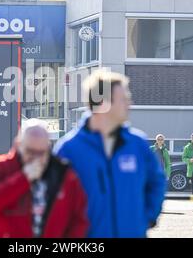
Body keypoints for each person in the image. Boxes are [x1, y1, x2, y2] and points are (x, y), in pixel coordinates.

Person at [54, 70, 166, 238]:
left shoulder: (137, 144)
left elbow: (157, 182)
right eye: (124, 99)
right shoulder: (69, 149)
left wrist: (147, 217)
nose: (130, 104)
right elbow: (54, 202)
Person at [0, 118, 88, 238]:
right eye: (30, 151)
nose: (35, 158)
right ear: (18, 144)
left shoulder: (62, 174)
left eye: (41, 153)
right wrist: (23, 179)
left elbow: (78, 218)